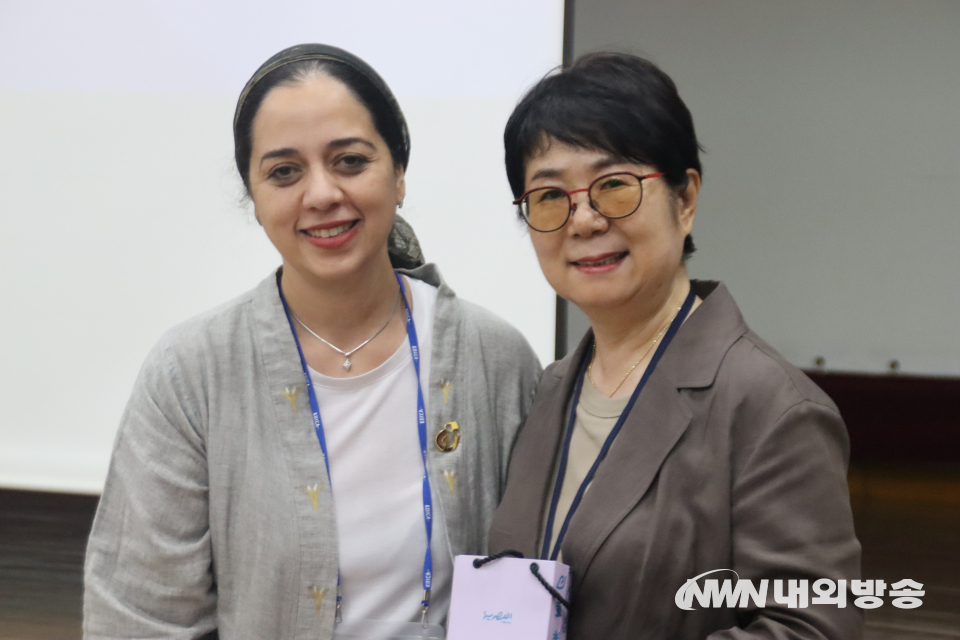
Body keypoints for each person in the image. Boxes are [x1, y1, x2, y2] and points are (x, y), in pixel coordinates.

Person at [83, 44, 541, 639]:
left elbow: (536, 583)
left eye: (350, 161)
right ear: (254, 199)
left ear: (399, 175)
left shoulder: (495, 358)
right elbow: (139, 618)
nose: (321, 194)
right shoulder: (191, 374)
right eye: (284, 172)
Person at [488, 52, 862, 639]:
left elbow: (810, 628)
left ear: (684, 199)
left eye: (614, 186)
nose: (582, 220)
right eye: (550, 197)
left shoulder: (772, 407)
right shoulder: (554, 385)